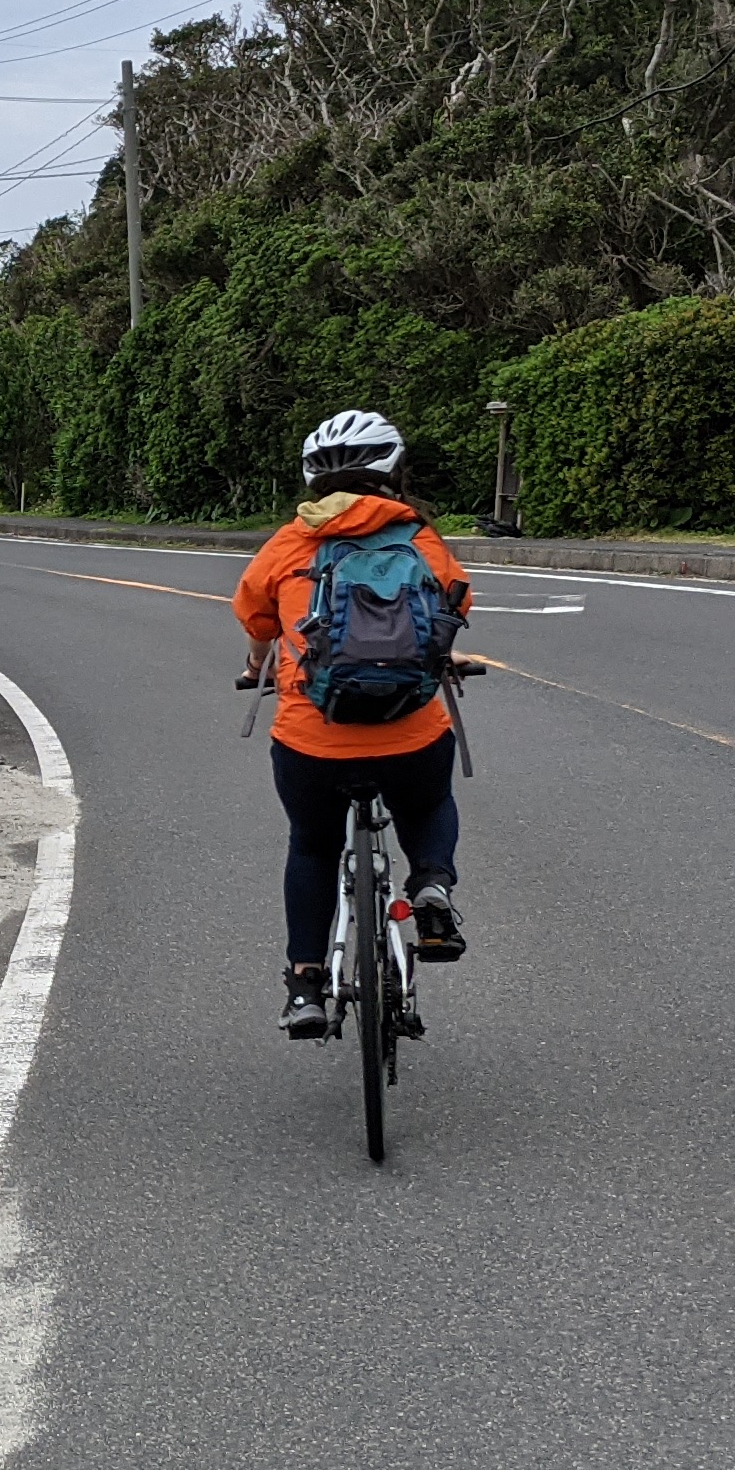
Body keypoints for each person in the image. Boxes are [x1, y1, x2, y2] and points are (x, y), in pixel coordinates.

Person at [231, 408, 473, 1039]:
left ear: (313, 478)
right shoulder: (419, 538)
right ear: (393, 469)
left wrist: (258, 661)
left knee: (312, 845)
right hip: (408, 731)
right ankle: (431, 888)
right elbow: (455, 605)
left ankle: (307, 984)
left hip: (313, 740)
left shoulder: (290, 544)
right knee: (427, 802)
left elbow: (256, 618)